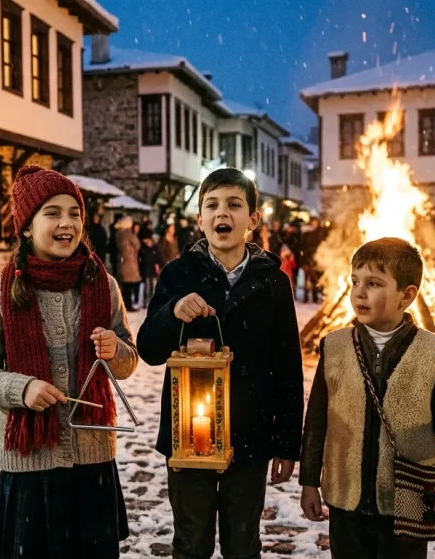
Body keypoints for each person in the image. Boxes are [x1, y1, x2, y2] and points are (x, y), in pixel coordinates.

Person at [0, 166, 139, 559]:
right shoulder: (1, 295)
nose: (67, 223)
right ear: (26, 227)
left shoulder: (103, 286)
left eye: (74, 213)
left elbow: (128, 361)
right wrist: (21, 389)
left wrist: (116, 349)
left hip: (92, 458)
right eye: (52, 213)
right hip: (31, 465)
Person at [136, 168, 303, 559]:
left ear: (253, 220)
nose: (221, 213)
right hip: (187, 437)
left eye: (233, 204)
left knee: (242, 543)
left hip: (249, 435)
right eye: (211, 205)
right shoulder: (179, 274)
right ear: (199, 220)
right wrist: (173, 312)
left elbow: (287, 367)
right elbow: (148, 348)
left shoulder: (272, 282)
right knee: (191, 542)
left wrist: (286, 443)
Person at [299, 238, 435, 559]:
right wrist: (309, 479)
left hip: (408, 501)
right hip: (347, 498)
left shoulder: (432, 352)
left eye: (373, 284)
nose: (359, 292)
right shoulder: (333, 347)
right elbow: (318, 419)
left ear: (407, 295)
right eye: (355, 281)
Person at [114, 216, 142, 311]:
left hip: (123, 262)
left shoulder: (118, 234)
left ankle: (125, 305)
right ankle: (128, 305)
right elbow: (137, 245)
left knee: (125, 286)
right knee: (130, 285)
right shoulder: (128, 233)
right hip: (130, 263)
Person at [139, 235, 164, 306]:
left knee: (153, 286)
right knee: (147, 287)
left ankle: (153, 301)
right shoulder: (144, 249)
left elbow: (158, 260)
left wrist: (157, 266)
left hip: (153, 271)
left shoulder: (155, 249)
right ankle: (147, 301)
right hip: (147, 270)